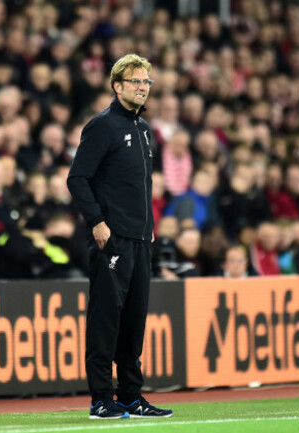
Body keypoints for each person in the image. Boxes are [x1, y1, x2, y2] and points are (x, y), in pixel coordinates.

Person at [66, 53, 172, 420]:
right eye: (135, 82)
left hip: (141, 239)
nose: (142, 88)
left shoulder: (144, 131)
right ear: (117, 85)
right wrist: (97, 222)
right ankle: (100, 399)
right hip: (111, 240)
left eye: (147, 82)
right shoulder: (103, 126)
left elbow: (138, 187)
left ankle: (130, 396)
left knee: (133, 323)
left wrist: (150, 227)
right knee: (105, 320)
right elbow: (77, 178)